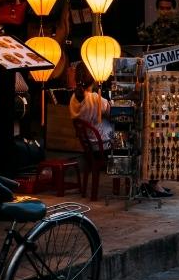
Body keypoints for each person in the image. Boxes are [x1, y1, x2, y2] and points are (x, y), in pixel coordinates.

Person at [70, 64, 172, 198]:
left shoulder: (74, 99)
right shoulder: (94, 98)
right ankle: (151, 185)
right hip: (104, 145)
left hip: (91, 146)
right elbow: (113, 114)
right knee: (146, 146)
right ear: (93, 78)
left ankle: (143, 185)